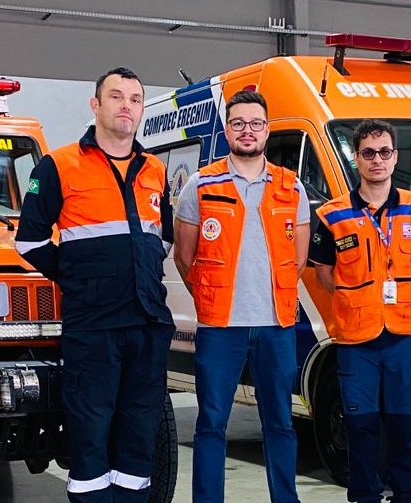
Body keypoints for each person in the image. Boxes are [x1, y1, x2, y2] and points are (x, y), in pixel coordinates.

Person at [15, 67, 174, 503]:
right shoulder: (59, 166)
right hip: (93, 327)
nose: (127, 106)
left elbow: (162, 239)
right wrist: (79, 277)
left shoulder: (155, 169)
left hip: (147, 323)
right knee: (91, 433)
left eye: (135, 99)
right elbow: (29, 242)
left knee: (140, 431)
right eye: (117, 97)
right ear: (96, 104)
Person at [173, 89, 310, 503]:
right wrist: (214, 297)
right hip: (220, 328)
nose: (247, 130)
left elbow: (298, 259)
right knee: (212, 423)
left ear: (267, 130)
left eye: (255, 123)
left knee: (280, 422)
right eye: (238, 123)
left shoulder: (291, 187)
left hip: (276, 326)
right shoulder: (200, 184)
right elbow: (184, 257)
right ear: (227, 129)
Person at [309, 119, 411, 503]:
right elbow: (323, 272)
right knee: (360, 429)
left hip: (404, 336)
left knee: (405, 429)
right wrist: (355, 298)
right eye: (368, 152)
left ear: (395, 157)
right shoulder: (332, 215)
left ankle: (408, 497)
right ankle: (364, 497)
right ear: (357, 158)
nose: (377, 160)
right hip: (356, 339)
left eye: (384, 152)